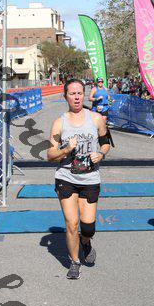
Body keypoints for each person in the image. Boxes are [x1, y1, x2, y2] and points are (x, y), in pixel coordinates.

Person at [47, 79, 111, 279]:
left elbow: (106, 142)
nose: (76, 97)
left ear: (84, 95)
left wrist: (101, 153)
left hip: (90, 178)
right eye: (72, 94)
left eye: (79, 93)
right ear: (65, 96)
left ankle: (85, 241)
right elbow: (50, 154)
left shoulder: (96, 119)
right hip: (66, 177)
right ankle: (74, 262)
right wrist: (66, 149)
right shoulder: (59, 123)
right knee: (71, 223)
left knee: (88, 227)